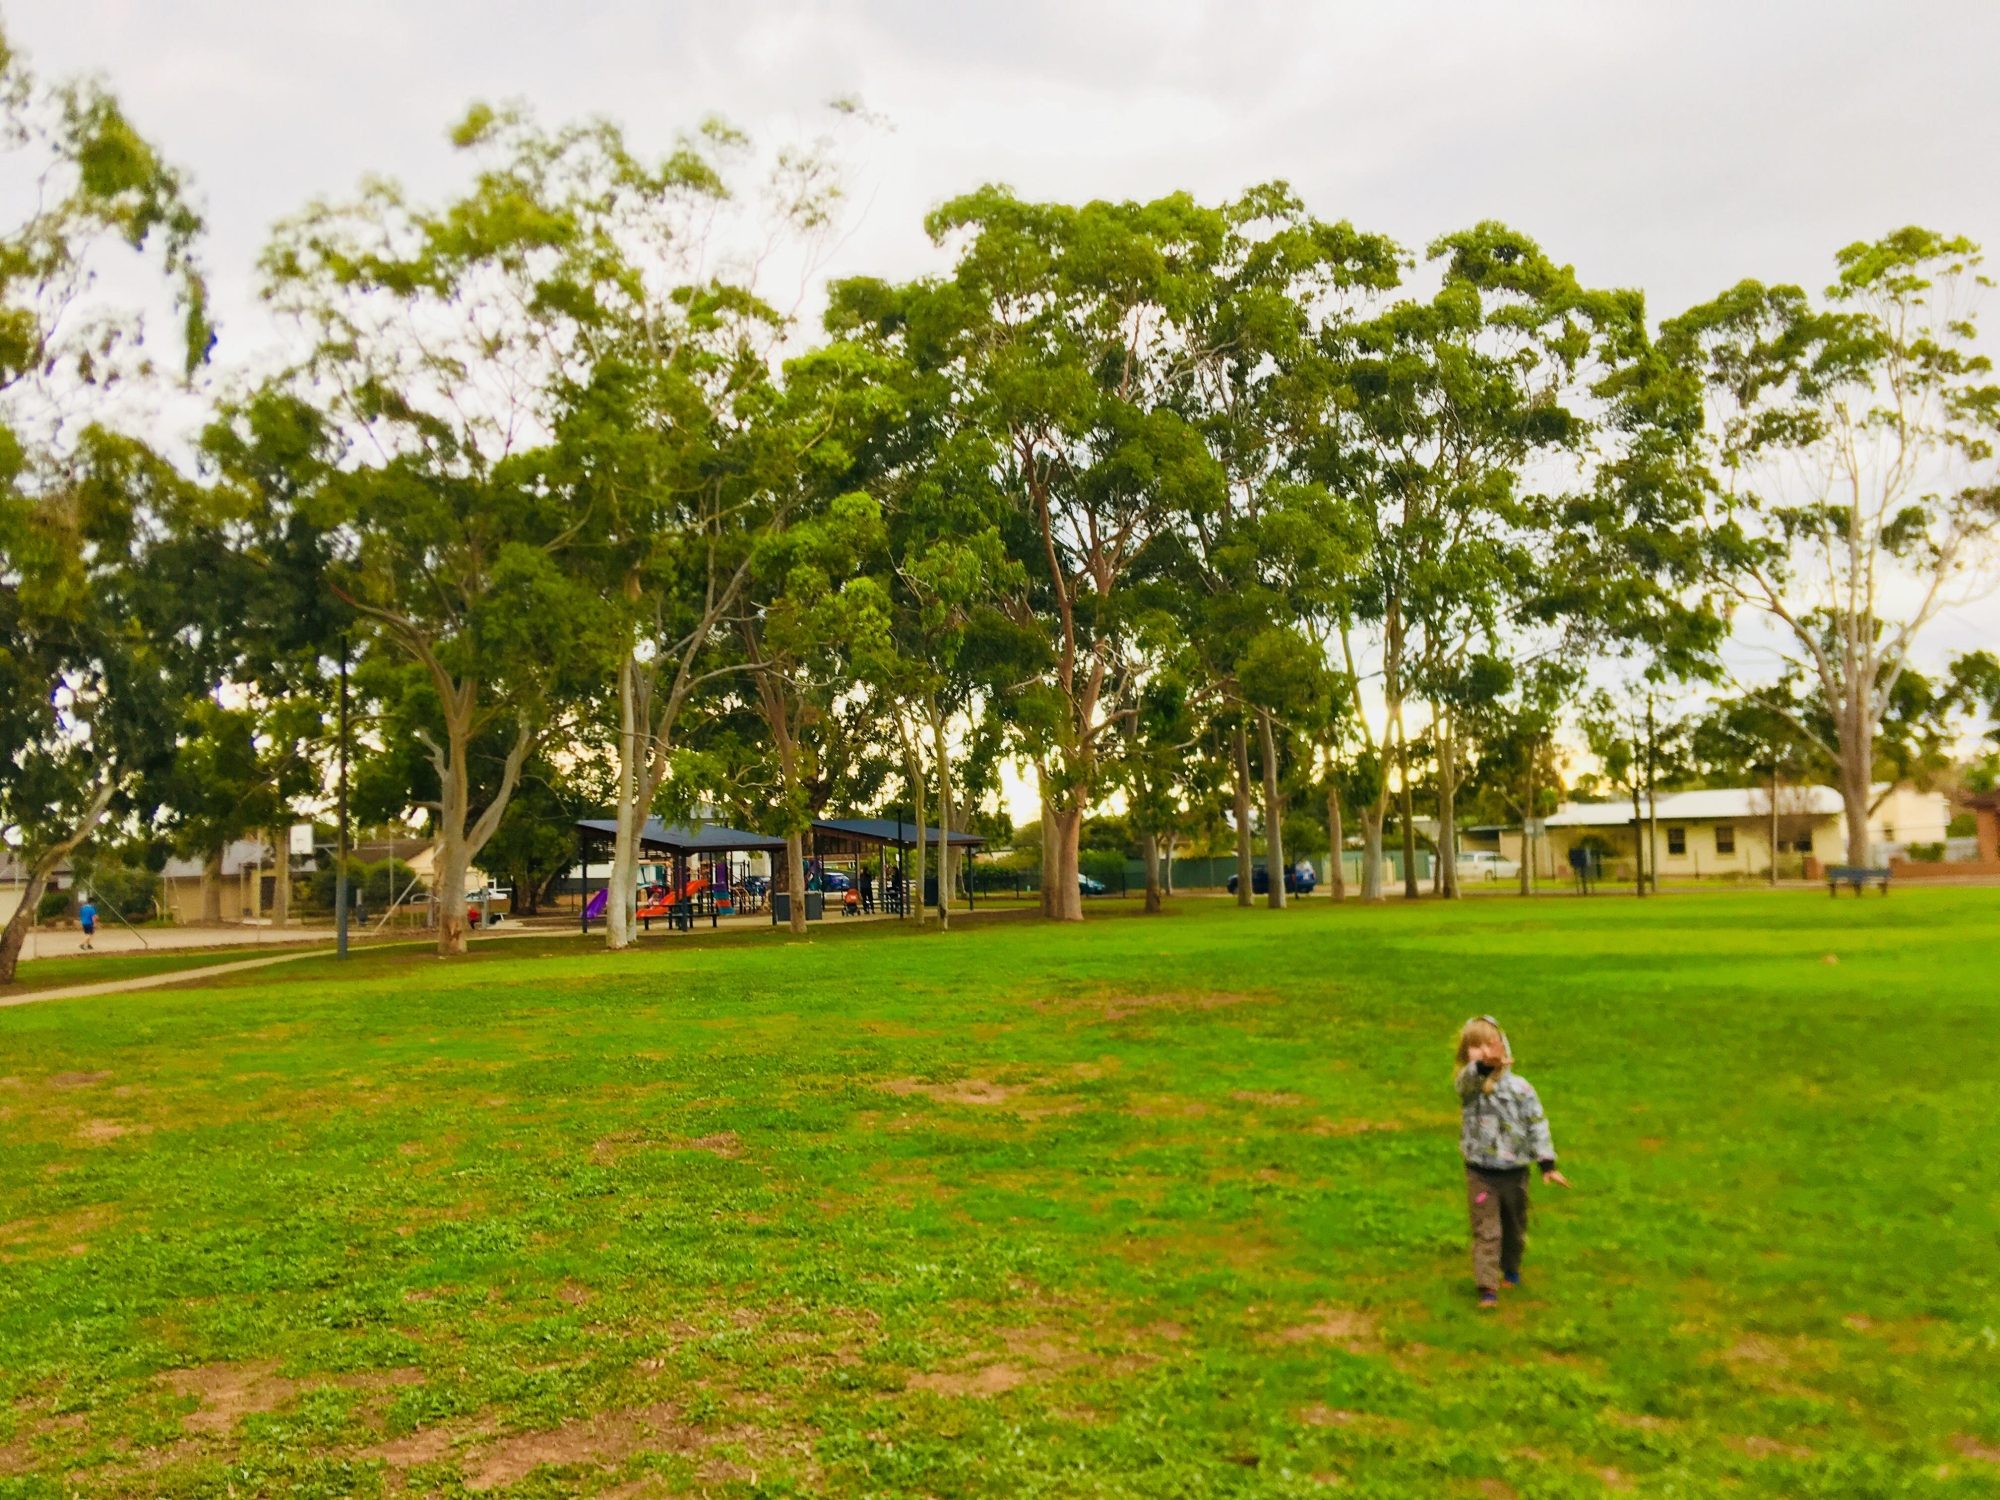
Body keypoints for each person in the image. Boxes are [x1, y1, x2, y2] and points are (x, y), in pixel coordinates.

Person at [1453, 1015, 1570, 1306]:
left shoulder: (1521, 1089)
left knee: (1514, 1226)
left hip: (1515, 1172)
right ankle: (1487, 1287)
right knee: (1487, 1230)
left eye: (1487, 1044)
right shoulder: (1471, 1088)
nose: (1481, 1051)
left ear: (1503, 1048)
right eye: (1474, 1046)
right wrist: (1482, 1067)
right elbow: (1465, 1082)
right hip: (1480, 1173)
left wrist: (1547, 1164)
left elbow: (1537, 1124)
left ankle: (1511, 1268)